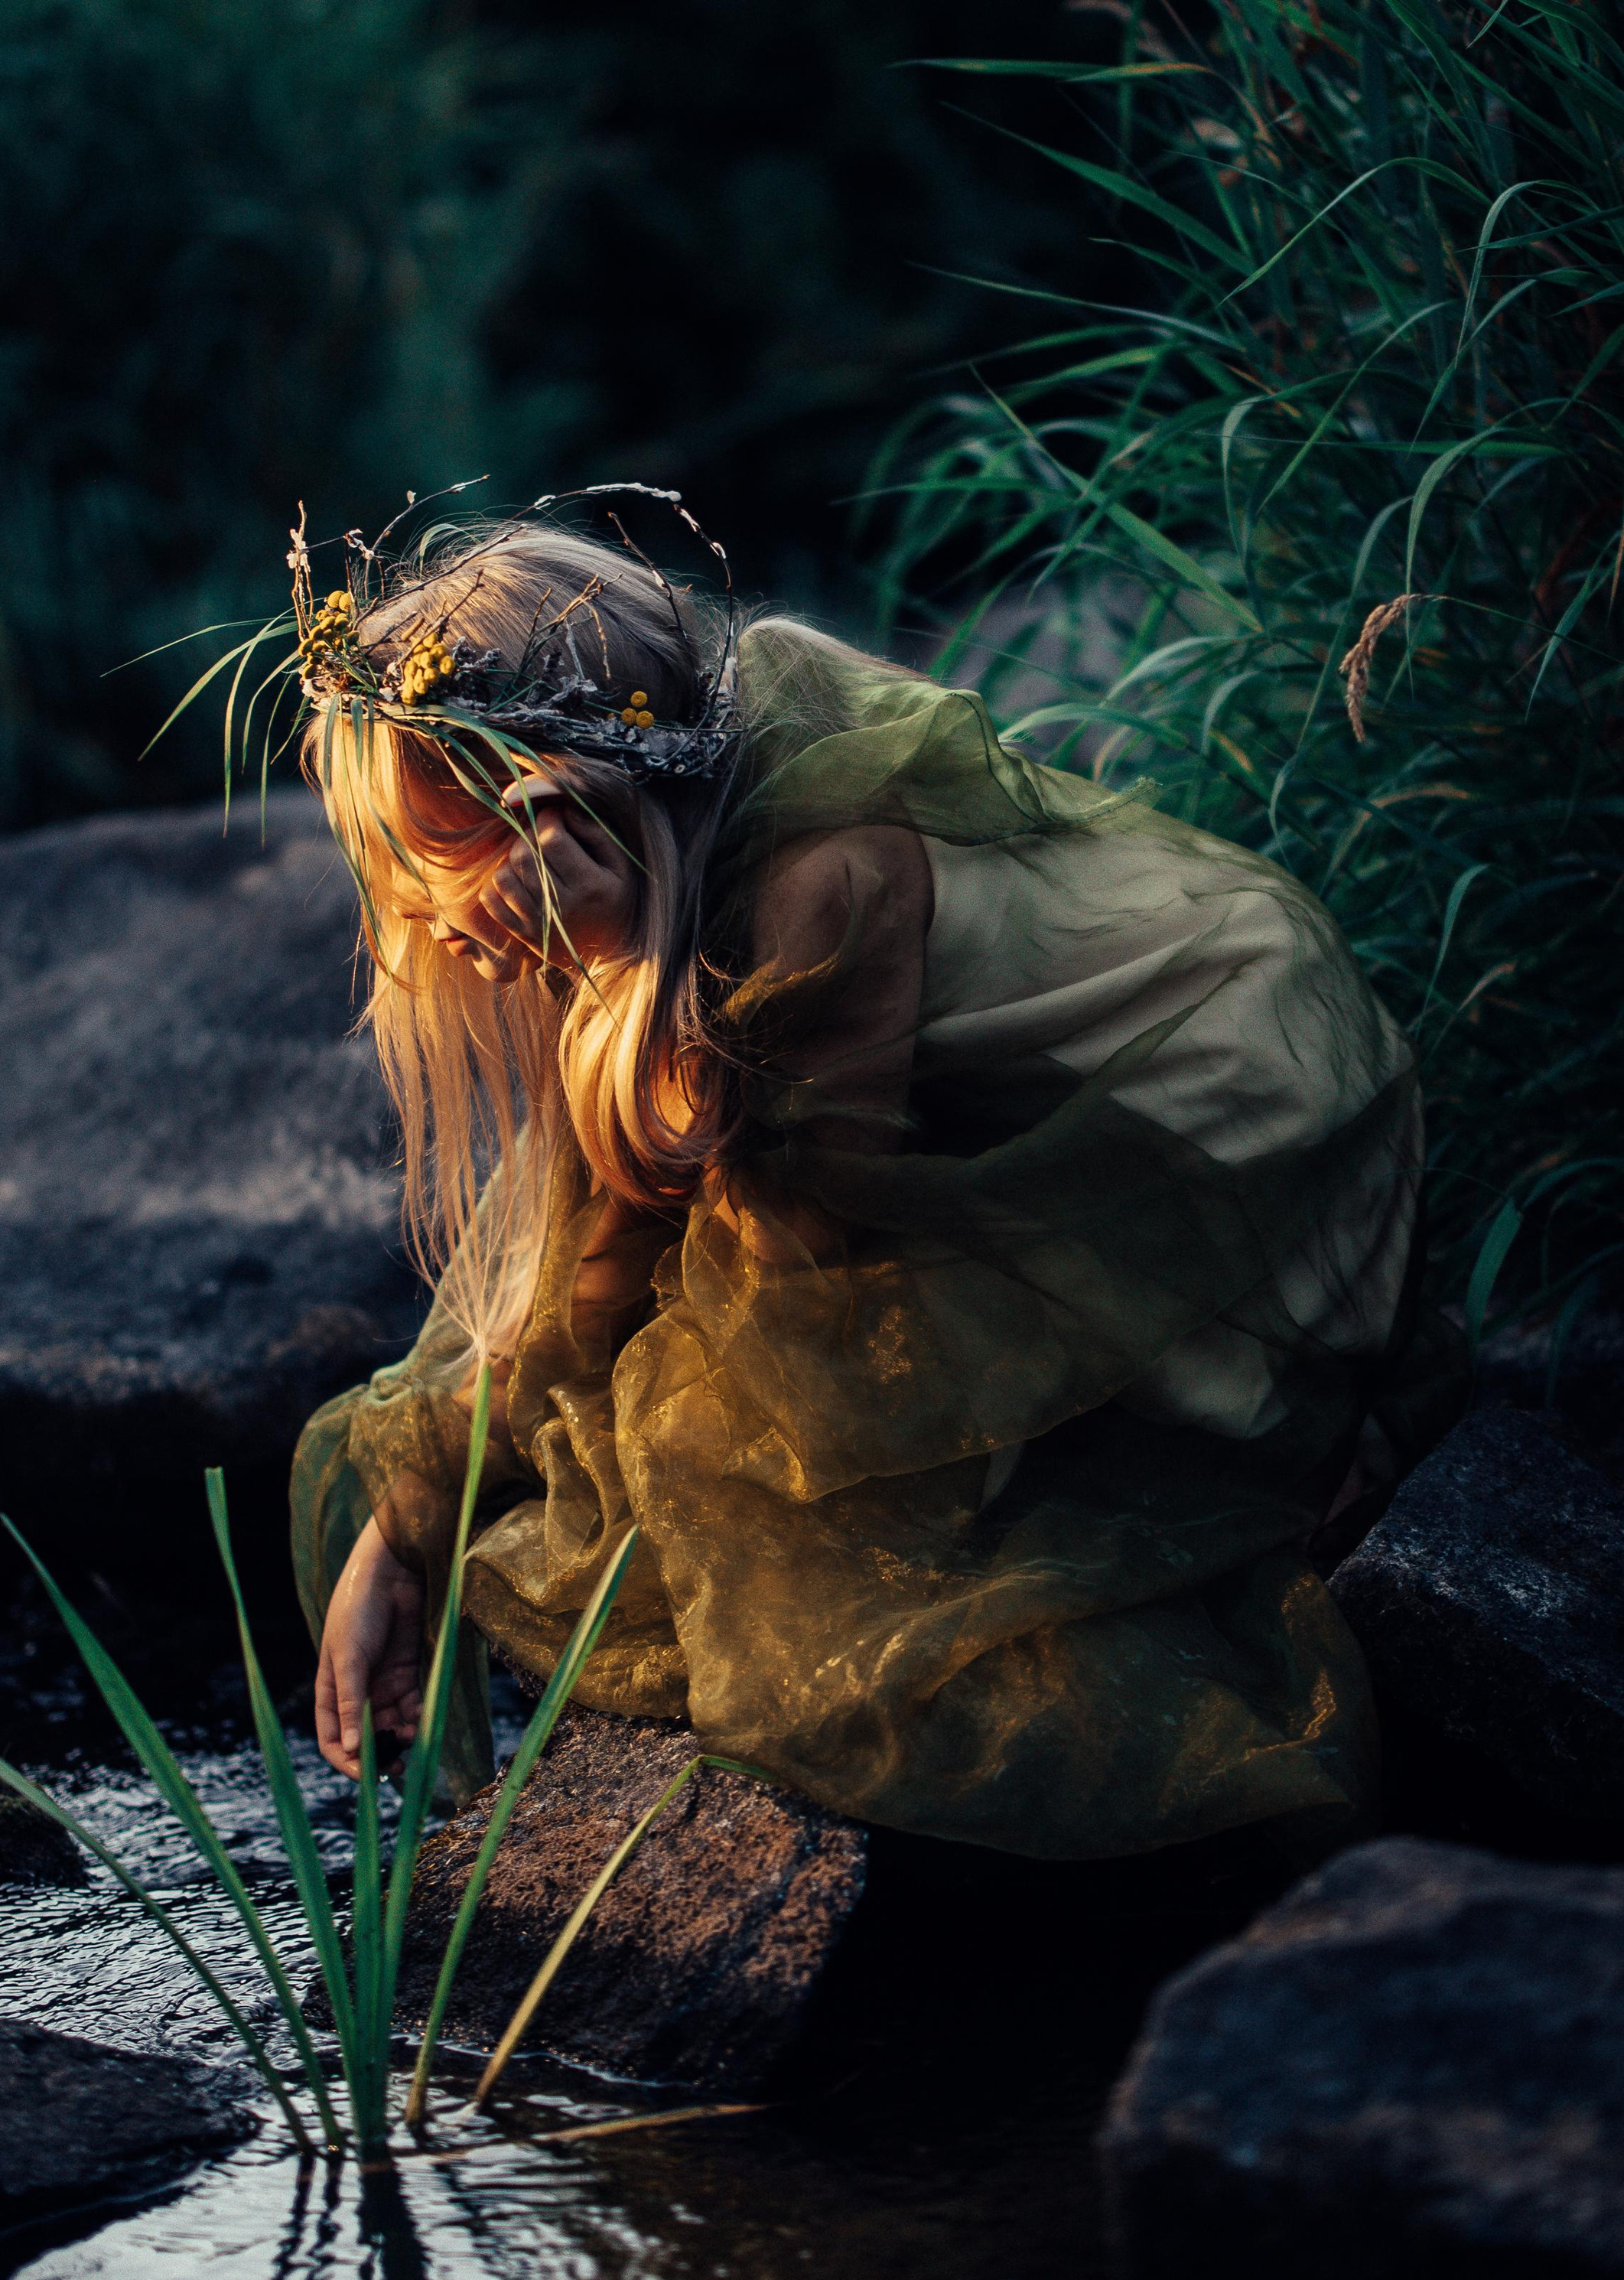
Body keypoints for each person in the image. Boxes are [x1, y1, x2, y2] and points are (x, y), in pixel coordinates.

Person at [283, 501, 1463, 1862]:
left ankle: (1282, 1428)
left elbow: (792, 1288)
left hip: (1216, 1136)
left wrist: (617, 969)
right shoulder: (665, 851)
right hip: (978, 1123)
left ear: (565, 803)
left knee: (800, 1552)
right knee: (642, 1432)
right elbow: (600, 1240)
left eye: (441, 863)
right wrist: (411, 1519)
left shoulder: (822, 886)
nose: (426, 921)